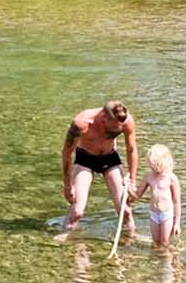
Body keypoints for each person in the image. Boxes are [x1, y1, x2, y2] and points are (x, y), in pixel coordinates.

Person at [58, 100, 139, 240]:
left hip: (110, 158)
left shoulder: (126, 121)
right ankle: (66, 235)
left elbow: (131, 149)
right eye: (114, 128)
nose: (117, 130)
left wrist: (132, 179)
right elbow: (66, 153)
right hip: (85, 159)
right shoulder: (81, 123)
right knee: (77, 211)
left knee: (125, 211)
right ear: (103, 118)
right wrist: (67, 185)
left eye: (119, 128)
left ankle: (131, 236)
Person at [129, 143, 183, 248]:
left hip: (166, 214)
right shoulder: (149, 177)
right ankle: (157, 262)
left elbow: (176, 202)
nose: (153, 168)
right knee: (156, 243)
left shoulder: (171, 178)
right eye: (151, 165)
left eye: (156, 165)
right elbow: (137, 195)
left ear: (164, 162)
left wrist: (177, 223)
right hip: (154, 214)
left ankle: (169, 262)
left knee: (165, 243)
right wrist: (128, 187)